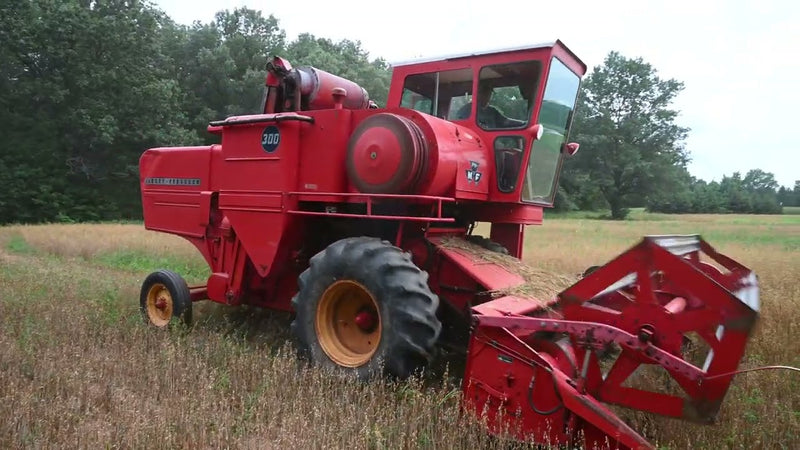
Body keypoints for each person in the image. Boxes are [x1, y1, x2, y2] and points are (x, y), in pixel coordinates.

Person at [455, 83, 524, 129]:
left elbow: (505, 121)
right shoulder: (465, 111)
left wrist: (524, 123)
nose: (487, 96)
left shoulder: (492, 111)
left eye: (488, 93)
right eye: (484, 92)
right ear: (477, 93)